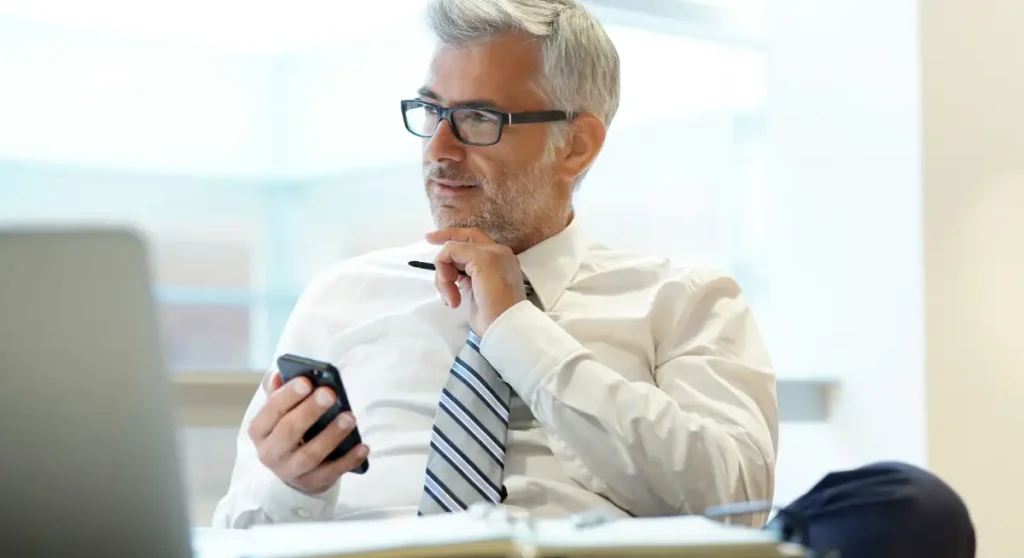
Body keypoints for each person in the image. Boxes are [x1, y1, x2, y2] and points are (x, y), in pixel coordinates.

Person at [213, 1, 975, 556]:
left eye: (477, 119)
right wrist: (291, 485)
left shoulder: (684, 301)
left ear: (576, 146)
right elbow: (234, 537)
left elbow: (732, 502)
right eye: (430, 111)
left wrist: (517, 332)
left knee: (912, 508)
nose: (439, 149)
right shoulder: (342, 299)